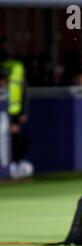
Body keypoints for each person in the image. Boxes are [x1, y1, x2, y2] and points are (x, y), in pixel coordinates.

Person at [0, 37, 33, 179]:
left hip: (12, 112)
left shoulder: (17, 67)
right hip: (4, 111)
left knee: (19, 140)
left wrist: (23, 112)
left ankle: (13, 166)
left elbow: (24, 90)